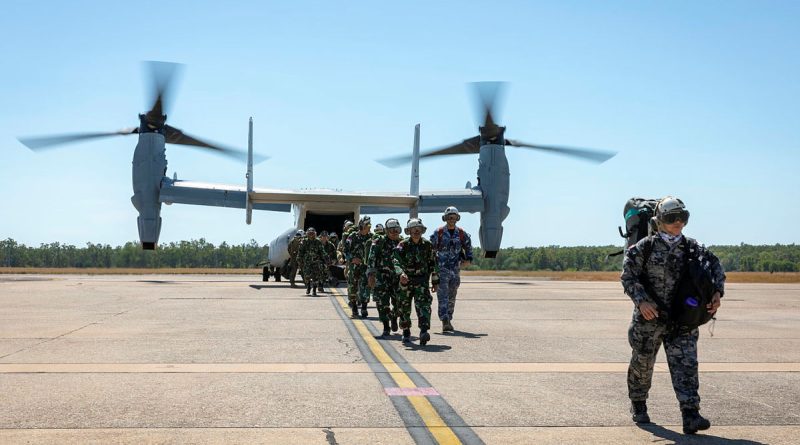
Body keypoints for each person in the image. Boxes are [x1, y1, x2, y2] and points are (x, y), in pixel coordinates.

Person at [621, 196, 725, 435]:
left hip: (683, 320)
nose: (678, 222)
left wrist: (718, 292)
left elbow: (716, 269)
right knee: (642, 364)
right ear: (659, 221)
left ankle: (690, 414)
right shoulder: (643, 248)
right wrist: (642, 301)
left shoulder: (694, 248)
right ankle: (638, 404)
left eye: (682, 218)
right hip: (649, 320)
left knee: (686, 366)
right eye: (671, 218)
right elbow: (628, 277)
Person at [393, 218, 439, 345]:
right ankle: (406, 331)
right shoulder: (403, 245)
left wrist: (435, 281)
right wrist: (400, 273)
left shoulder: (428, 245)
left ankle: (424, 331)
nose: (416, 231)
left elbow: (433, 264)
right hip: (406, 282)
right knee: (404, 307)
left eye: (418, 229)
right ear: (409, 231)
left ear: (422, 230)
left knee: (424, 306)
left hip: (422, 283)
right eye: (413, 229)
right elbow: (396, 261)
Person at [430, 206, 473, 332]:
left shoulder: (461, 233)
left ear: (457, 218)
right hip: (441, 270)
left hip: (455, 270)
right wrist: (432, 267)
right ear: (445, 218)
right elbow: (430, 249)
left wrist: (468, 259)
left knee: (452, 296)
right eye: (449, 217)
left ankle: (449, 317)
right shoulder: (438, 233)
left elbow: (468, 246)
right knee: (442, 296)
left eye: (454, 217)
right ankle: (444, 320)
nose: (452, 219)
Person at [366, 218, 404, 337]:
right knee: (382, 303)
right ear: (387, 231)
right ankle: (386, 326)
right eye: (391, 230)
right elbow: (372, 257)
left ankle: (393, 316)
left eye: (396, 230)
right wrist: (371, 275)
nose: (394, 232)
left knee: (400, 302)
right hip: (382, 276)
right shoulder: (379, 241)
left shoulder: (402, 242)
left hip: (397, 277)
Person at [344, 216, 373, 318]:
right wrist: (351, 259)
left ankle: (364, 308)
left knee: (366, 287)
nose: (368, 228)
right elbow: (346, 250)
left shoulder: (371, 237)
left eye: (369, 225)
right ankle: (355, 308)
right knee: (353, 287)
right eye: (367, 225)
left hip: (366, 267)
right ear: (361, 226)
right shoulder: (353, 236)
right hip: (354, 267)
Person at [298, 227, 326, 296]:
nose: (311, 235)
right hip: (307, 262)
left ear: (314, 234)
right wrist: (299, 259)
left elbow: (322, 251)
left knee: (315, 277)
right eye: (310, 234)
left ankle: (314, 290)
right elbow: (300, 252)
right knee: (306, 276)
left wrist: (326, 258)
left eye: (312, 234)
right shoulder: (304, 241)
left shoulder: (318, 241)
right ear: (307, 234)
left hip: (316, 262)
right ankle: (308, 286)